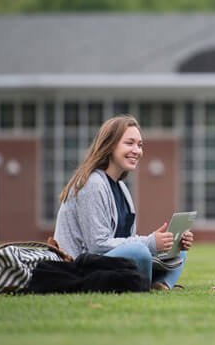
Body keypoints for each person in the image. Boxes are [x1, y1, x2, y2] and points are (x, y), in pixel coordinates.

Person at [54, 114, 193, 290]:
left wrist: (163, 242)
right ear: (110, 145)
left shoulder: (121, 187)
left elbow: (127, 240)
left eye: (140, 145)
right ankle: (144, 285)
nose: (137, 150)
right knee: (139, 251)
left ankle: (161, 285)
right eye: (129, 143)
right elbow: (97, 246)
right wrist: (150, 243)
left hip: (111, 264)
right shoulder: (92, 184)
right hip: (81, 266)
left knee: (178, 249)